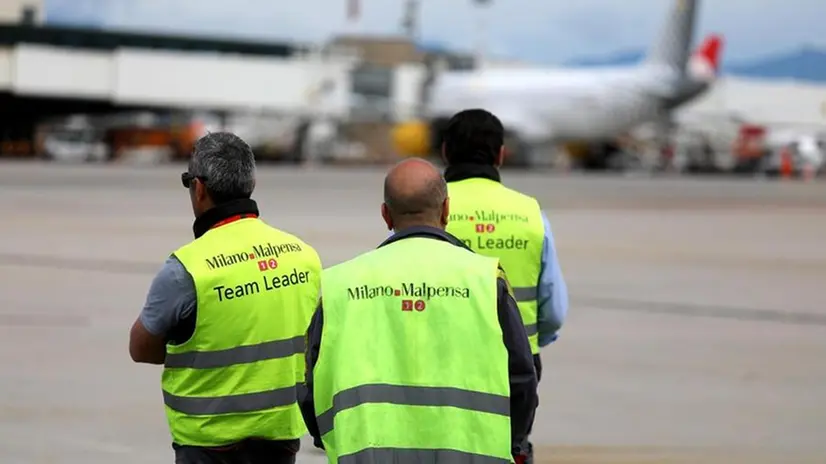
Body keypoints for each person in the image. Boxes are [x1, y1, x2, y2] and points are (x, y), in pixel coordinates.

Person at [299, 158, 538, 463]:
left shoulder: (340, 283)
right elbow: (521, 377)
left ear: (386, 215)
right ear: (447, 210)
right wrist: (514, 443)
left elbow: (309, 383)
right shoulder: (486, 280)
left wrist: (331, 438)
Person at [128, 132, 322, 464]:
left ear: (199, 188)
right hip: (280, 437)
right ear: (252, 182)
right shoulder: (303, 255)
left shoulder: (187, 269)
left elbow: (141, 348)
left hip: (208, 442)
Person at [441, 109, 569, 462]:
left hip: (441, 356)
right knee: (508, 449)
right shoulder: (530, 213)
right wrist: (533, 341)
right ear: (500, 154)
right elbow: (554, 308)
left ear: (445, 152)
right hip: (516, 360)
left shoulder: (424, 206)